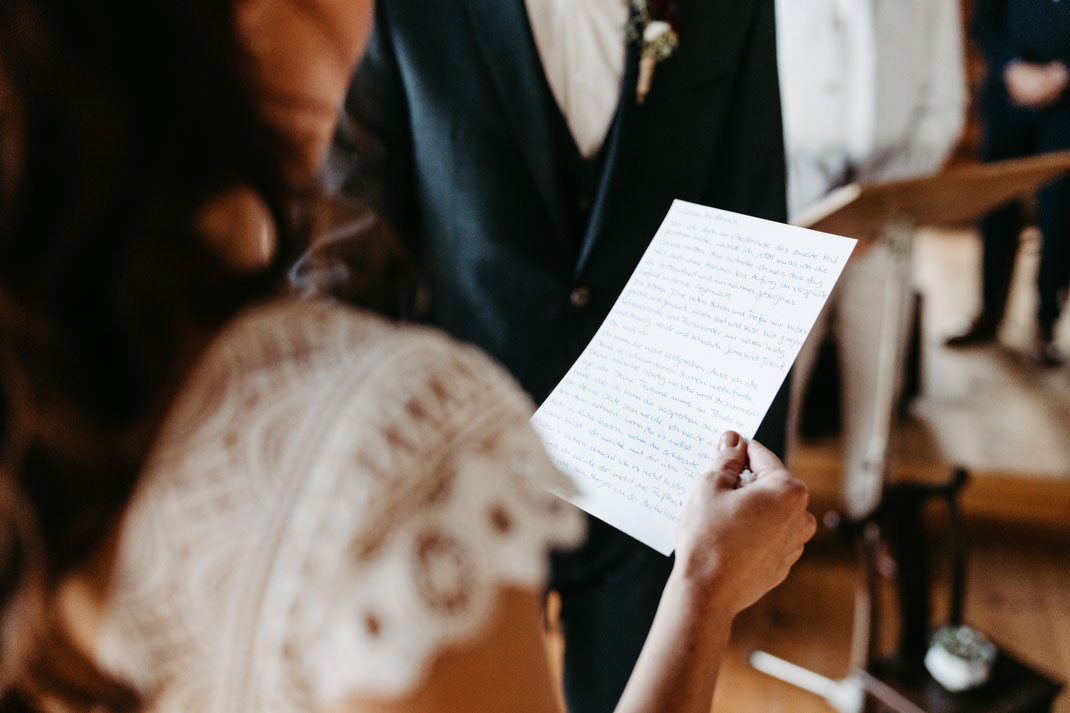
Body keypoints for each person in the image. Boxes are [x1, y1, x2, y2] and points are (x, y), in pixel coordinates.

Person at [0, 2, 817, 713]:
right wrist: (331, 404)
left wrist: (746, 446)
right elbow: (356, 230)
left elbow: (752, 201)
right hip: (470, 407)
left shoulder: (49, 405)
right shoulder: (405, 450)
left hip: (657, 451)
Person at [319, 3, 791, 710]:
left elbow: (751, 217)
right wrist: (341, 469)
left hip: (657, 465)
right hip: (462, 465)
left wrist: (754, 462)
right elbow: (351, 247)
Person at [776, 0, 967, 518]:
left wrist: (878, 202)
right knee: (780, 378)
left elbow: (945, 102)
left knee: (879, 373)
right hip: (792, 216)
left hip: (887, 217)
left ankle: (868, 515)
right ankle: (766, 519)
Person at [943, 0, 1070, 366]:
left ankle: (1046, 322)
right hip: (1005, 96)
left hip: (1066, 104)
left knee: (1059, 213)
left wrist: (1061, 74)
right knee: (996, 207)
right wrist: (1013, 69)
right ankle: (987, 313)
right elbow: (984, 21)